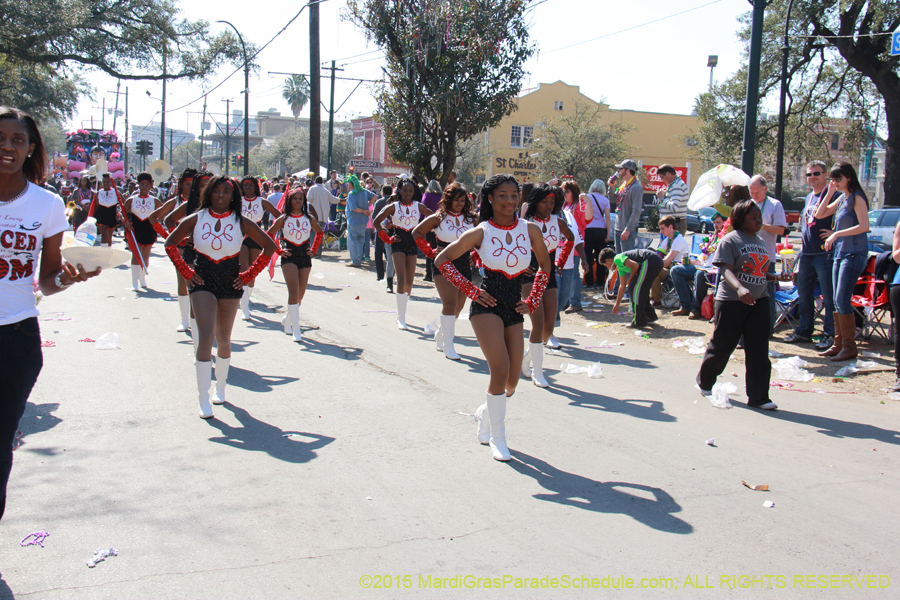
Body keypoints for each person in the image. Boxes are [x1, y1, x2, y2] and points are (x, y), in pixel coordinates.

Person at [0, 106, 102, 520]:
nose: (7, 146)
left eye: (17, 140)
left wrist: (70, 278)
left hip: (15, 339)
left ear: (30, 149)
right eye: (0, 139)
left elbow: (46, 281)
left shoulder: (47, 204)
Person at [433, 174, 551, 461]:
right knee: (499, 370)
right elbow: (441, 260)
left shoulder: (531, 230)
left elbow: (545, 266)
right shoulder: (480, 232)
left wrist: (533, 299)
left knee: (511, 382)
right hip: (486, 306)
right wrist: (471, 290)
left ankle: (486, 413)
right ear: (489, 198)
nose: (510, 201)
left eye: (514, 195)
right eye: (502, 195)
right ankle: (498, 437)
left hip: (514, 306)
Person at [164, 176, 277, 419]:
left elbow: (269, 246)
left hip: (230, 281)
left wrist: (248, 275)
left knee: (223, 339)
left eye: (226, 191)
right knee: (206, 336)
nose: (221, 195)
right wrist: (186, 272)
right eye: (216, 191)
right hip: (202, 280)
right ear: (209, 193)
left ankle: (221, 386)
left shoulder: (242, 221)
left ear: (233, 195)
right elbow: (170, 243)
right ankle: (202, 397)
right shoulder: (196, 218)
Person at [696, 200, 792, 410]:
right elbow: (725, 269)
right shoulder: (730, 240)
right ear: (740, 219)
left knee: (759, 349)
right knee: (723, 345)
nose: (758, 221)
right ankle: (705, 382)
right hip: (731, 301)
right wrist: (739, 288)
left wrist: (777, 277)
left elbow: (759, 272)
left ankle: (759, 397)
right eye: (753, 217)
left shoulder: (760, 241)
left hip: (759, 300)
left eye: (759, 217)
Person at [412, 182, 477, 360]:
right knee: (449, 304)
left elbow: (483, 240)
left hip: (464, 265)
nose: (460, 203)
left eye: (462, 200)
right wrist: (430, 251)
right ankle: (449, 345)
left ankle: (441, 333)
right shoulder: (438, 217)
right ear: (448, 200)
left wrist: (475, 255)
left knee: (458, 307)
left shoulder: (472, 218)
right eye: (456, 200)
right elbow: (416, 233)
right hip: (443, 264)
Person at [815, 162, 870, 361]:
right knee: (835, 300)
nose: (835, 182)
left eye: (838, 179)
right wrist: (829, 192)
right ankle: (839, 344)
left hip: (854, 254)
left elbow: (864, 226)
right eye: (833, 179)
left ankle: (849, 346)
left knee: (841, 299)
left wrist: (836, 234)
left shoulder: (857, 197)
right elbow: (819, 214)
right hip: (840, 254)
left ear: (849, 177)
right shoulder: (842, 198)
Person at [520, 185, 575, 386]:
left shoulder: (557, 221)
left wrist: (560, 262)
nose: (549, 205)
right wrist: (521, 265)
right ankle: (538, 372)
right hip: (529, 276)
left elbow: (571, 238)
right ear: (536, 202)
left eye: (552, 202)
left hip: (549, 274)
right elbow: (513, 245)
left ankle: (527, 357)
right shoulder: (524, 224)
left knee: (548, 327)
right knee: (537, 323)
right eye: (545, 202)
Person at [783, 161, 837, 349]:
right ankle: (804, 331)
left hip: (825, 253)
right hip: (806, 253)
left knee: (828, 296)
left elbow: (849, 217)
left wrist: (835, 232)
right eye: (809, 174)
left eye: (816, 173)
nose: (812, 177)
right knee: (804, 293)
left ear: (825, 175)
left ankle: (830, 334)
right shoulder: (809, 197)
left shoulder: (835, 195)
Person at [374, 179, 434, 329]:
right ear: (399, 191)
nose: (408, 193)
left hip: (413, 243)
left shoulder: (418, 206)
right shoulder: (393, 206)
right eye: (405, 190)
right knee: (401, 278)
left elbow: (434, 217)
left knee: (409, 281)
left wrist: (426, 230)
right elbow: (376, 221)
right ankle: (401, 317)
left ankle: (402, 309)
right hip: (398, 242)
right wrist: (387, 238)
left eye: (411, 190)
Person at [268, 188, 324, 342]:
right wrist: (279, 250)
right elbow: (270, 234)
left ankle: (287, 319)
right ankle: (296, 329)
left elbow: (319, 232)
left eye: (301, 198)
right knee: (293, 292)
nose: (298, 201)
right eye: (295, 198)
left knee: (300, 294)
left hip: (305, 256)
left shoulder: (309, 218)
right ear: (289, 200)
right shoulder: (283, 219)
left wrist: (314, 249)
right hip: (289, 256)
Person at [149, 168, 197, 330]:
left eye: (194, 184)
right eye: (187, 184)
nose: (191, 187)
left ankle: (196, 321)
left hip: (201, 248)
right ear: (181, 185)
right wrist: (172, 238)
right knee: (183, 282)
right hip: (181, 249)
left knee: (198, 285)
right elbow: (153, 218)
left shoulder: (204, 202)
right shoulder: (175, 203)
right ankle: (185, 320)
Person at [747, 174, 788, 335]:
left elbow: (781, 229)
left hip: (766, 257)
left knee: (766, 293)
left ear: (765, 189)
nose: (754, 196)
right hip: (747, 256)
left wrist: (762, 226)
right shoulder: (748, 204)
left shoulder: (774, 205)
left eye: (757, 192)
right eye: (751, 192)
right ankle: (750, 326)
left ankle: (767, 328)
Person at [239, 176, 280, 321]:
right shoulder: (237, 201)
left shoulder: (262, 201)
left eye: (250, 185)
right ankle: (245, 307)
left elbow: (279, 216)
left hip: (256, 237)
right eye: (245, 186)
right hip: (240, 237)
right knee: (243, 270)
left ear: (255, 187)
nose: (247, 188)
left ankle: (246, 298)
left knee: (252, 273)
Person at [670, 213, 726, 318]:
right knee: (676, 270)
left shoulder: (725, 239)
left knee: (700, 274)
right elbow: (702, 258)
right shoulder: (712, 238)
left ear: (725, 223)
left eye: (718, 223)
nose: (715, 225)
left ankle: (696, 309)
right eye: (714, 223)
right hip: (703, 266)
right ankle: (686, 305)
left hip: (714, 270)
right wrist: (690, 262)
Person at [600, 245, 663, 329]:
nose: (608, 268)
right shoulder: (620, 267)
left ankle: (639, 321)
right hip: (655, 261)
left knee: (634, 288)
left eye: (605, 265)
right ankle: (649, 316)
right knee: (641, 290)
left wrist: (630, 279)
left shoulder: (617, 259)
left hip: (650, 260)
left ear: (607, 260)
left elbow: (635, 265)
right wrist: (617, 304)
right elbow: (622, 286)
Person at [121, 172, 162, 290]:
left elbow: (164, 211)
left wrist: (157, 222)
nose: (144, 187)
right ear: (138, 185)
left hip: (149, 229)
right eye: (142, 185)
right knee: (136, 254)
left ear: (150, 186)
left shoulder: (154, 200)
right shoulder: (131, 200)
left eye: (147, 185)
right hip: (135, 229)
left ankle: (142, 277)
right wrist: (125, 222)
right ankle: (134, 281)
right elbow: (122, 213)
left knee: (145, 256)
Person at [560, 180, 588, 315]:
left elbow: (587, 220)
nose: (564, 194)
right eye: (562, 191)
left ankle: (575, 302)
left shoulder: (580, 205)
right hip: (564, 246)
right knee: (564, 273)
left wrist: (588, 201)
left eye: (567, 191)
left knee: (574, 274)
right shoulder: (564, 205)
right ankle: (565, 300)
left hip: (576, 243)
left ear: (574, 192)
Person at [650, 215, 690, 306]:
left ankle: (655, 299)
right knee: (653, 272)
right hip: (670, 269)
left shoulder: (678, 240)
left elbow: (667, 261)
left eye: (663, 228)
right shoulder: (668, 240)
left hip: (679, 272)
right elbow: (658, 254)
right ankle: (656, 299)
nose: (661, 231)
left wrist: (653, 264)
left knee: (653, 269)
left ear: (671, 227)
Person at [581, 179, 610, 288]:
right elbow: (607, 217)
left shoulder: (586, 198)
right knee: (600, 256)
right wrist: (608, 233)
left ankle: (588, 282)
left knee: (588, 255)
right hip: (601, 229)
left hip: (588, 228)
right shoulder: (605, 200)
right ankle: (599, 281)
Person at [609, 159, 643, 255]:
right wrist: (611, 187)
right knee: (619, 259)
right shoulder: (623, 186)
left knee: (627, 259)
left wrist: (628, 229)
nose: (618, 171)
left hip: (627, 230)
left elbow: (636, 211)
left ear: (627, 170)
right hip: (618, 228)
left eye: (621, 169)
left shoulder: (636, 187)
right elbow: (612, 200)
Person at [344, 174, 375, 268]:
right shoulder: (364, 191)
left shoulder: (352, 194)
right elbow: (374, 196)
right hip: (363, 221)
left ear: (351, 184)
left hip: (353, 220)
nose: (348, 185)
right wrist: (367, 206)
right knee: (361, 240)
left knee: (353, 241)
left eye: (348, 183)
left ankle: (355, 261)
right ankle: (359, 259)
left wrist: (364, 210)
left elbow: (354, 208)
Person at [88, 172, 123, 247]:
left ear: (111, 183)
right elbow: (96, 205)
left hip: (112, 216)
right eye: (104, 182)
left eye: (107, 182)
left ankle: (108, 251)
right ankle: (104, 251)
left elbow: (123, 203)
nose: (105, 183)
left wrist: (118, 212)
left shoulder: (116, 192)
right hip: (101, 216)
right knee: (104, 235)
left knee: (109, 237)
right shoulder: (99, 193)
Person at [373, 184, 395, 293]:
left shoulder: (379, 202)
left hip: (380, 230)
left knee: (378, 252)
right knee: (389, 256)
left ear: (383, 192)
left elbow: (374, 217)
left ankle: (380, 275)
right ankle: (390, 275)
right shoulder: (395, 202)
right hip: (391, 232)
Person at [655, 164, 689, 236]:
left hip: (674, 224)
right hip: (671, 224)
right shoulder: (674, 184)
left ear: (668, 174)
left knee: (672, 244)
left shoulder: (677, 185)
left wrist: (662, 198)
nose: (662, 180)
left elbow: (674, 207)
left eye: (662, 177)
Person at [421, 179, 443, 282]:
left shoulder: (427, 195)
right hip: (440, 224)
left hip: (429, 225)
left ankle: (428, 274)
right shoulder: (442, 196)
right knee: (439, 248)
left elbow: (423, 208)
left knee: (429, 248)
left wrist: (421, 221)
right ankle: (437, 272)